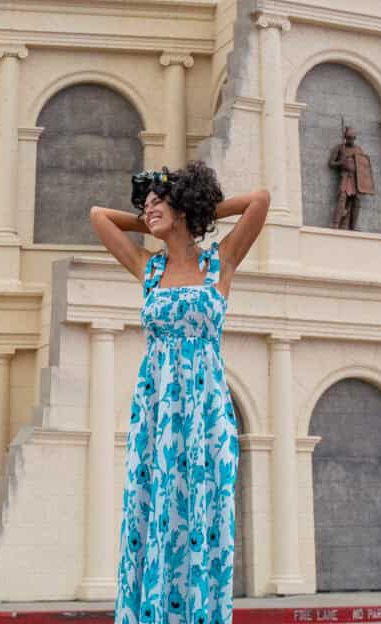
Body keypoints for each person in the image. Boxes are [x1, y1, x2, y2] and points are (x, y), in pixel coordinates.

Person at [90, 163, 270, 624]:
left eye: (157, 205)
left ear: (185, 207)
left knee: (203, 516)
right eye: (144, 207)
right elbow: (99, 217)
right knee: (151, 513)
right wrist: (156, 211)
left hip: (206, 411)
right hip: (156, 409)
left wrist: (195, 210)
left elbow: (259, 201)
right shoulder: (148, 269)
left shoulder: (219, 262)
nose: (148, 211)